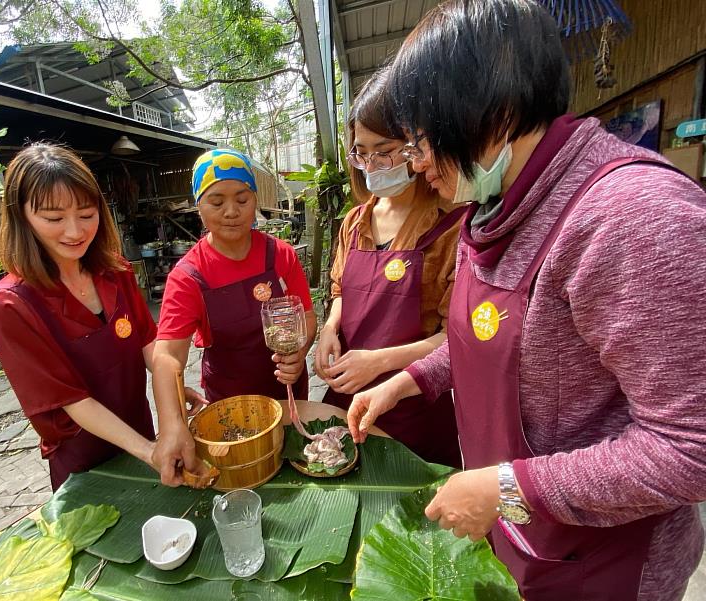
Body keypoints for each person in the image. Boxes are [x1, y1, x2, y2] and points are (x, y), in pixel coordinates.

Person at [347, 1, 706, 599]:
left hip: (601, 563)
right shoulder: (492, 208)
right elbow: (491, 340)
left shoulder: (635, 217)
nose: (414, 162)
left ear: (497, 111)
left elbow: (691, 447)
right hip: (521, 536)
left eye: (423, 137)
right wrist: (410, 379)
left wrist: (507, 489)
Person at [0, 144, 203, 491]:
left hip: (143, 433)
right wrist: (149, 451)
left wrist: (172, 400)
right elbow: (72, 400)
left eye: (86, 214)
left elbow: (152, 345)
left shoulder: (114, 271)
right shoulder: (12, 303)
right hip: (84, 462)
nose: (74, 232)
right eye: (54, 219)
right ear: (21, 217)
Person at [315, 68, 464, 467]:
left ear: (417, 146)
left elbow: (456, 339)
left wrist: (378, 362)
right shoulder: (355, 221)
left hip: (416, 407)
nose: (372, 164)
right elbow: (339, 289)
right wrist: (330, 329)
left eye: (385, 151)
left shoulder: (451, 227)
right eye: (362, 153)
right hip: (349, 396)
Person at [152, 149, 316, 485]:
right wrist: (172, 423)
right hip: (231, 407)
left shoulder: (279, 254)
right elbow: (167, 356)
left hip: (287, 394)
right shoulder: (189, 276)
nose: (231, 211)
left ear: (254, 200)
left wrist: (299, 353)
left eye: (242, 199)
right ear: (198, 205)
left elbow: (307, 316)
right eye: (216, 202)